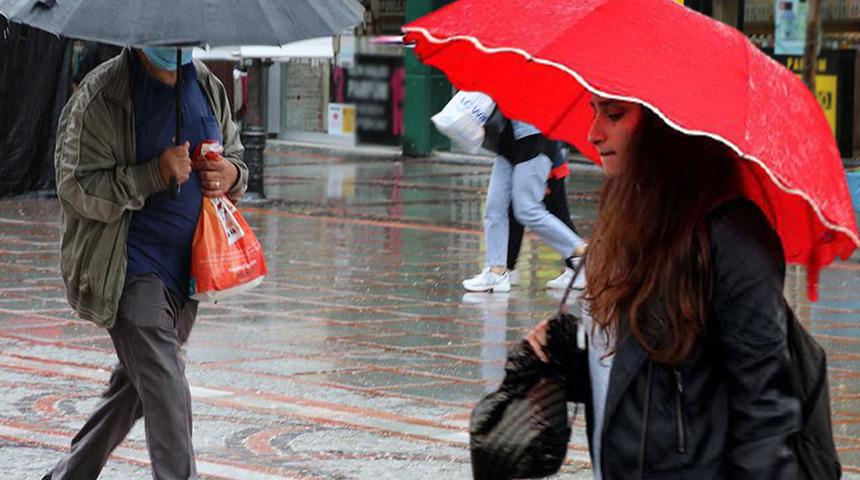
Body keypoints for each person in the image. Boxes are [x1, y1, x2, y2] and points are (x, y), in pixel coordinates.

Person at [527, 95, 801, 479]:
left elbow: (765, 407)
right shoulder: (626, 216)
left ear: (665, 125)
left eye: (615, 115)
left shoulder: (730, 238)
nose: (593, 134)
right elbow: (636, 375)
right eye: (594, 112)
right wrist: (567, 356)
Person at [45, 47, 247, 479]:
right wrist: (152, 174)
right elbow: (75, 185)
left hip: (190, 271)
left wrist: (230, 174)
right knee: (166, 384)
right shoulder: (104, 94)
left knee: (136, 389)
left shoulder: (206, 85)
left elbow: (235, 153)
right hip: (128, 267)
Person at [463, 120, 586, 292]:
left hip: (534, 136)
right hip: (509, 138)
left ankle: (580, 251)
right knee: (495, 207)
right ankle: (496, 271)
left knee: (527, 209)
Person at [505, 145, 581, 289]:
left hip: (543, 159)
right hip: (534, 158)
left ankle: (577, 264)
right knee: (516, 213)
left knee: (557, 214)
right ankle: (508, 268)